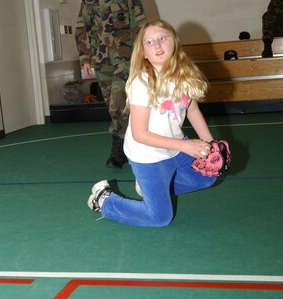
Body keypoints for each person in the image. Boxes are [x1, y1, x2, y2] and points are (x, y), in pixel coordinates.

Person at [87, 19, 222, 227]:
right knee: (160, 218)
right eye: (149, 42)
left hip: (176, 147)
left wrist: (211, 144)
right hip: (148, 155)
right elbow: (140, 134)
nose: (157, 45)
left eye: (162, 38)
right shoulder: (141, 82)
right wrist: (187, 146)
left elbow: (192, 109)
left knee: (208, 175)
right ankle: (103, 200)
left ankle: (149, 187)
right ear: (143, 52)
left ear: (174, 42)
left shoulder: (184, 74)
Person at [75, 0, 146, 168]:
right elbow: (82, 27)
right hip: (100, 58)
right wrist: (84, 57)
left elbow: (139, 21)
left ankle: (118, 147)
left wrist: (143, 53)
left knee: (118, 101)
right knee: (112, 104)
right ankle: (130, 141)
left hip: (125, 56)